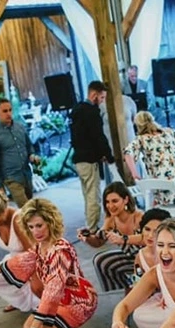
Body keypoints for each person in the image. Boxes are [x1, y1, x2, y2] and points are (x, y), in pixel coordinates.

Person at [0, 198, 101, 328]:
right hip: (60, 301)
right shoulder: (40, 247)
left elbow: (52, 292)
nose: (35, 232)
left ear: (51, 222)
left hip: (78, 301)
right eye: (31, 227)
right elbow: (19, 261)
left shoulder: (60, 251)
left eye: (39, 225)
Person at [76, 182, 144, 291]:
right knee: (101, 261)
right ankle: (119, 293)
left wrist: (123, 239)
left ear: (125, 200)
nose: (110, 206)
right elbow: (98, 242)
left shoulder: (139, 217)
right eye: (107, 202)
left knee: (139, 268)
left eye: (115, 201)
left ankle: (137, 292)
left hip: (146, 260)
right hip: (130, 259)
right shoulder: (111, 220)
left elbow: (148, 239)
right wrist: (87, 237)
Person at [70, 80, 114, 231]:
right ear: (94, 95)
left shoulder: (77, 110)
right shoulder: (92, 113)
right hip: (89, 160)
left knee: (86, 194)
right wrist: (108, 155)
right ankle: (92, 228)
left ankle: (89, 224)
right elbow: (98, 136)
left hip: (79, 160)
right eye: (101, 98)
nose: (102, 101)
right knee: (93, 196)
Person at [123, 111, 175, 196]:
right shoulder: (169, 131)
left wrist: (134, 174)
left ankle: (160, 203)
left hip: (165, 186)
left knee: (156, 191)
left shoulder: (140, 139)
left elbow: (128, 153)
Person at [0, 98, 40, 207]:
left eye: (10, 110)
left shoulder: (20, 127)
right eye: (5, 111)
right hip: (11, 177)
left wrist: (32, 155)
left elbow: (29, 146)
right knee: (25, 208)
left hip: (26, 173)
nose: (8, 114)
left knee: (31, 206)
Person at [133, 208, 171, 276]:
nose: (150, 235)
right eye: (147, 229)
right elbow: (137, 282)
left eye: (156, 231)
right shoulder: (140, 256)